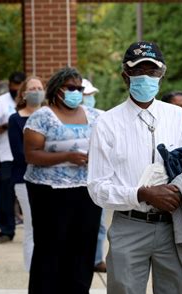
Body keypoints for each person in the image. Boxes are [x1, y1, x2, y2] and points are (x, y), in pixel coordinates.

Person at [87, 41, 182, 294]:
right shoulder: (107, 123)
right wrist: (141, 193)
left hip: (175, 225)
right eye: (139, 71)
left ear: (162, 75)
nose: (146, 78)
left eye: (153, 71)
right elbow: (97, 188)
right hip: (129, 224)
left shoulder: (178, 117)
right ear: (125, 75)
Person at [24, 67, 102, 294]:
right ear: (57, 90)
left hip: (85, 189)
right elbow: (31, 154)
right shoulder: (42, 117)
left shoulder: (94, 116)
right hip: (48, 189)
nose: (76, 93)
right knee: (49, 243)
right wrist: (66, 156)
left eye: (80, 89)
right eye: (71, 88)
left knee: (83, 244)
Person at [8, 75, 45, 272]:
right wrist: (49, 157)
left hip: (49, 180)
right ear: (23, 94)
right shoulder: (15, 119)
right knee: (32, 226)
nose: (37, 91)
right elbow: (20, 153)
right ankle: (33, 271)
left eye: (40, 87)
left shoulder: (49, 116)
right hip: (24, 179)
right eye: (32, 88)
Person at [0, 71, 26, 244]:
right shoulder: (0, 102)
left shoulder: (31, 101)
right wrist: (6, 126)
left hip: (29, 156)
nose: (16, 89)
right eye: (13, 85)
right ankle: (6, 230)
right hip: (6, 155)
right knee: (6, 195)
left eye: (19, 86)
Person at [82, 78, 107, 273]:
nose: (89, 99)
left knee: (99, 223)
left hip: (99, 177)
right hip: (75, 179)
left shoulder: (102, 116)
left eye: (91, 96)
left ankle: (97, 259)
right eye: (86, 95)